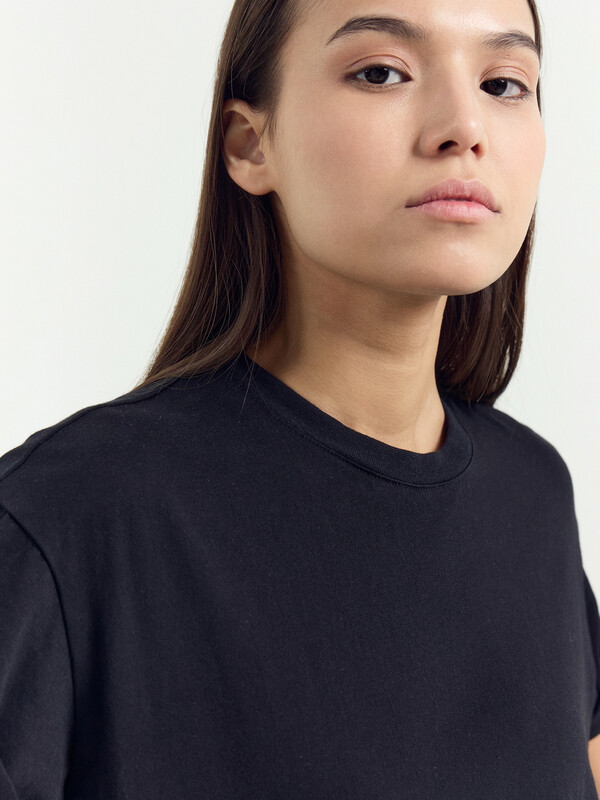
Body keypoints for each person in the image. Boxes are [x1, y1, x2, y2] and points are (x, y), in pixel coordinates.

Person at [1, 0, 599, 797]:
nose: (465, 128)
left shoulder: (533, 494)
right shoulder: (65, 517)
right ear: (251, 145)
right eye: (381, 72)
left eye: (504, 83)